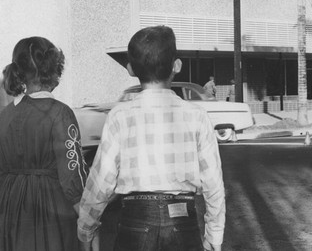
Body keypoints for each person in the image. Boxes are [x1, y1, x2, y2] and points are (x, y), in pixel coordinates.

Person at [78, 26, 226, 251]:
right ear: (176, 65)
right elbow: (213, 184)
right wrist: (213, 239)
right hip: (183, 219)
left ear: (129, 69)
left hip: (135, 222)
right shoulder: (197, 116)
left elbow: (101, 181)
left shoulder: (120, 115)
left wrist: (86, 229)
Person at [0, 37, 89, 251]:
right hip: (50, 210)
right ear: (54, 68)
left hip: (9, 209)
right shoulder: (60, 113)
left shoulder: (5, 115)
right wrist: (88, 222)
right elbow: (72, 177)